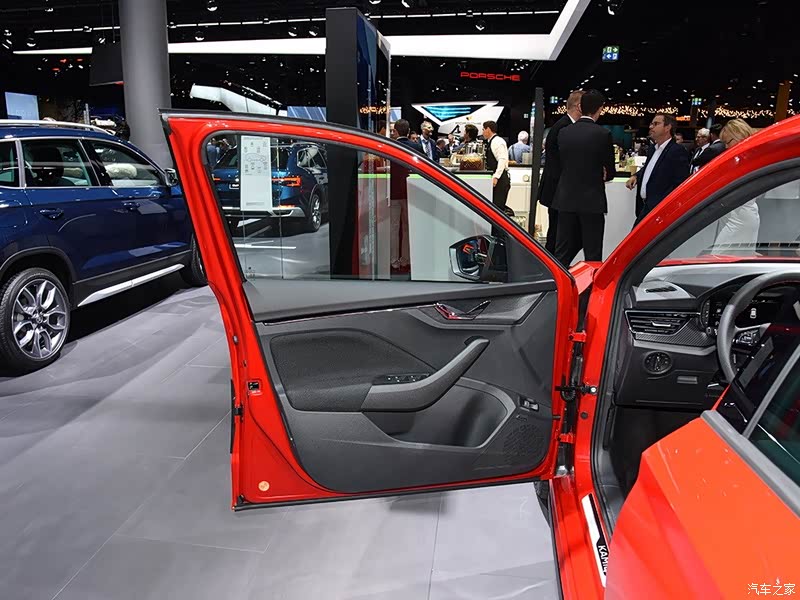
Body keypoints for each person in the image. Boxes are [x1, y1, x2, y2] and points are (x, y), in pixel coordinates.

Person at [551, 89, 615, 265]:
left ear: (581, 107)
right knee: (593, 252)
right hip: (592, 201)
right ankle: (590, 282)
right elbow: (610, 171)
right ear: (599, 109)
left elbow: (560, 163)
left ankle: (559, 280)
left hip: (565, 199)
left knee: (562, 251)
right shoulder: (603, 134)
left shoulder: (564, 132)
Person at [538, 90, 584, 255]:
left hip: (558, 190)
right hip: (559, 191)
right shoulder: (565, 127)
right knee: (558, 234)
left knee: (558, 233)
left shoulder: (562, 125)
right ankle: (552, 266)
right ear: (579, 106)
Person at [627, 112, 690, 226]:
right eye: (651, 124)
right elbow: (649, 168)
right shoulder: (653, 149)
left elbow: (680, 184)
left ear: (667, 127)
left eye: (656, 124)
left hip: (660, 211)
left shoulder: (677, 151)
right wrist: (636, 175)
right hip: (645, 207)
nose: (651, 127)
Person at [714, 119, 760, 251]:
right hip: (735, 216)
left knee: (718, 256)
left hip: (739, 219)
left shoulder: (748, 161)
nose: (726, 147)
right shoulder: (743, 159)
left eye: (727, 142)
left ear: (739, 137)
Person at [482, 121, 511, 218]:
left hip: (501, 180)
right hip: (496, 179)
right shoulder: (491, 141)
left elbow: (502, 160)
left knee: (497, 210)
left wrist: (496, 177)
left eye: (483, 129)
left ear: (488, 129)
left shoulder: (498, 142)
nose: (482, 132)